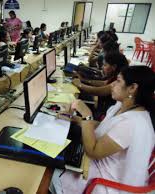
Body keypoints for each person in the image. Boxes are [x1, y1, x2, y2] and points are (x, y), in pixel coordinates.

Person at [50, 66, 155, 194]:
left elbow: (93, 152)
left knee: (49, 173)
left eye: (118, 81)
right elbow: (106, 126)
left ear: (132, 88)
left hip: (106, 181)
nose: (112, 85)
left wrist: (87, 115)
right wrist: (77, 120)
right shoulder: (124, 107)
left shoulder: (131, 123)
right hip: (101, 165)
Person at [73, 52, 129, 119]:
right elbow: (104, 83)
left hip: (101, 114)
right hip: (102, 111)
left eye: (105, 65)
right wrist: (84, 80)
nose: (102, 67)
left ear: (114, 67)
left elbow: (98, 91)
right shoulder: (117, 76)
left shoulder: (119, 80)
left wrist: (79, 84)